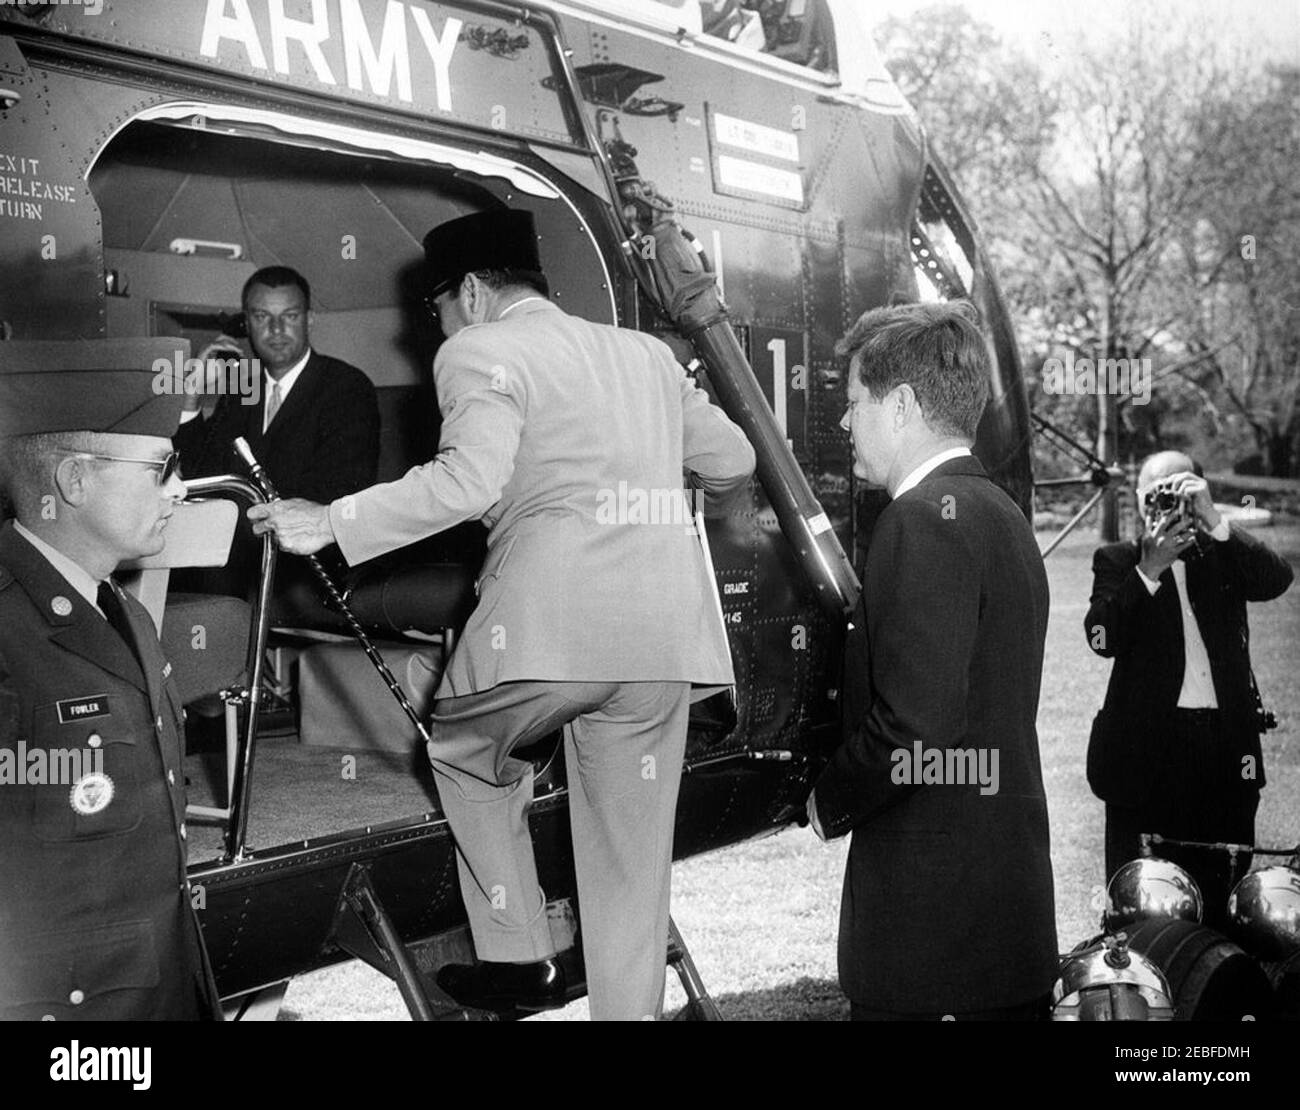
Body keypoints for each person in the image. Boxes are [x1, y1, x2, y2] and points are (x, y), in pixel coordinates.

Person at [248, 208, 755, 1020]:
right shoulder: (648, 357)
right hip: (664, 642)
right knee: (629, 860)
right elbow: (734, 461)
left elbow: (469, 482)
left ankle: (518, 954)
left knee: (459, 751)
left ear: (475, 294)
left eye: (437, 307)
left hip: (545, 635)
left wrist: (331, 521)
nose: (436, 326)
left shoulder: (478, 349)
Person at [807, 301, 1058, 1021]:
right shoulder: (1000, 513)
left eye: (855, 403)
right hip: (998, 918)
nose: (846, 423)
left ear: (904, 404)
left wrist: (829, 799)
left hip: (933, 936)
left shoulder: (921, 521)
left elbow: (916, 726)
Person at [0, 337, 222, 1020]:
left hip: (157, 980)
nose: (179, 488)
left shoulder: (122, 610)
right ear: (73, 482)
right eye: (162, 467)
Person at [1085, 450, 1292, 927]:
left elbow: (1277, 579)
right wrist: (1150, 570)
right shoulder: (1118, 559)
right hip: (1148, 752)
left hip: (1222, 745)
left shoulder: (1221, 554)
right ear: (1138, 501)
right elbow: (1102, 636)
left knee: (1222, 888)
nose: (1165, 503)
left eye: (1178, 490)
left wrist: (1215, 519)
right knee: (1142, 896)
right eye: (1155, 493)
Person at [175, 265, 380, 599]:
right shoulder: (244, 390)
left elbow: (338, 491)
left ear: (309, 319)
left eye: (290, 315)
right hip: (240, 556)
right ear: (245, 323)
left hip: (305, 557)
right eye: (261, 317)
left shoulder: (345, 386)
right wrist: (191, 398)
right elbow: (201, 479)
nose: (276, 329)